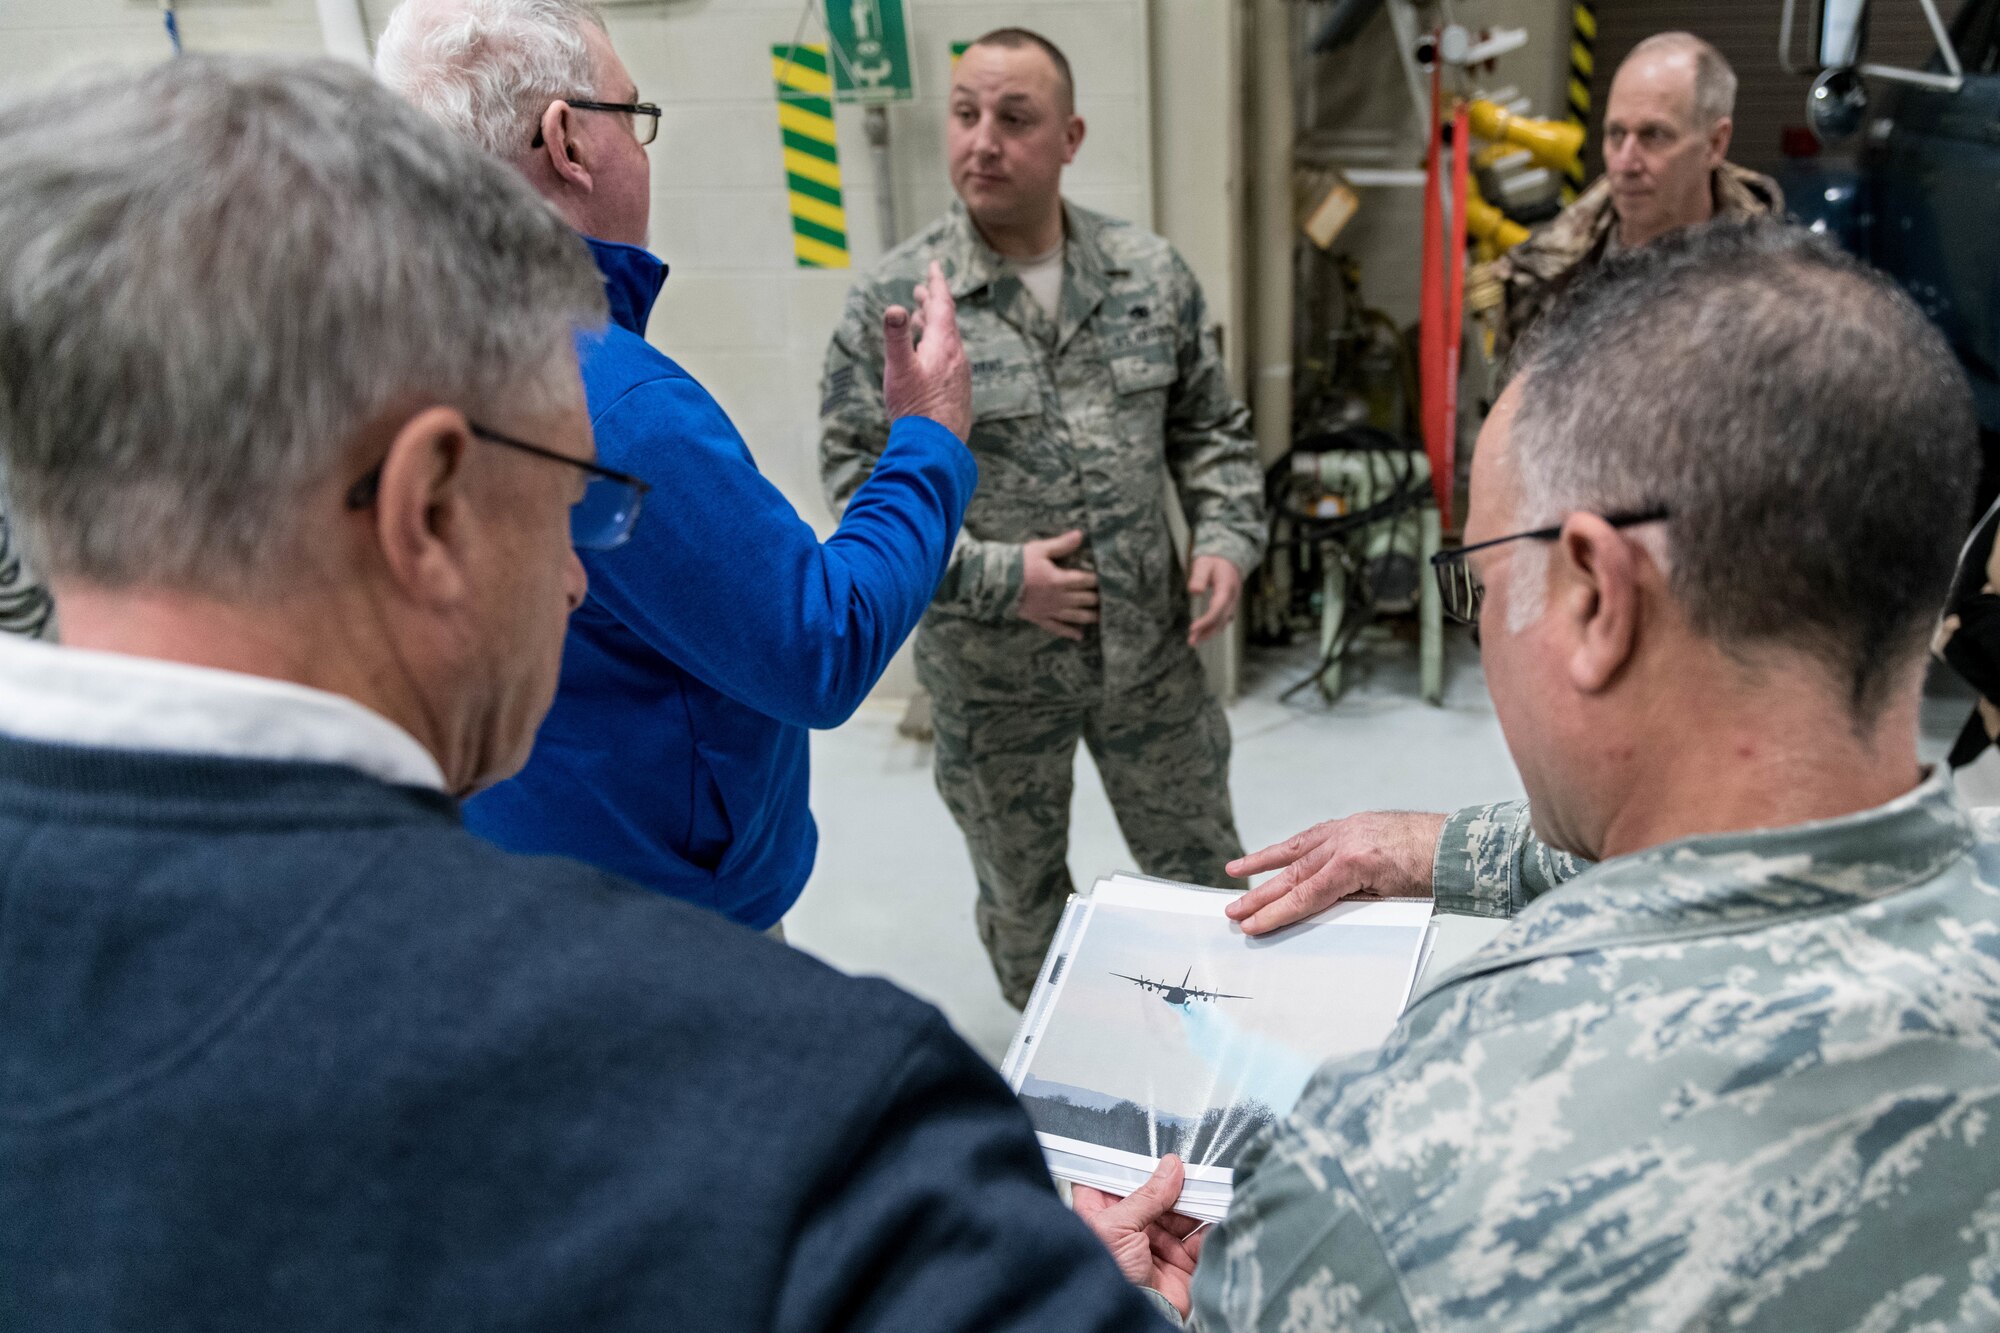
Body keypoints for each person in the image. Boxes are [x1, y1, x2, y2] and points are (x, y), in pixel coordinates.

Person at [0, 55, 1175, 1333]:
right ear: (426, 507)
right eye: (568, 503)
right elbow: (814, 640)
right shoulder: (805, 1114)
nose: (572, 580)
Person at [1087, 222, 2000, 1326]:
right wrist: (1427, 848)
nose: (1477, 632)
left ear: (1592, 597)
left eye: (1477, 581)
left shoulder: (1396, 1166)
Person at [376, 0, 976, 933]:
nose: (642, 148)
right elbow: (821, 642)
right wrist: (930, 436)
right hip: (662, 910)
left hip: (513, 860)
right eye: (632, 114)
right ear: (568, 140)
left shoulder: (387, 347)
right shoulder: (608, 403)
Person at [819, 27, 1266, 1007]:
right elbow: (860, 487)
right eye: (965, 113)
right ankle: (1071, 1094)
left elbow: (1210, 428)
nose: (982, 140)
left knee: (1203, 873)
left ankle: (1224, 1061)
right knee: (1026, 902)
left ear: (1068, 136)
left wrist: (1227, 536)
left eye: (1013, 119)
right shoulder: (895, 304)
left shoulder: (1148, 276)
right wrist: (995, 576)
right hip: (991, 679)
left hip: (1149, 660)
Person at [1481, 32, 1783, 357]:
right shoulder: (1545, 272)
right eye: (1616, 134)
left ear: (1715, 144)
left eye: (1654, 135)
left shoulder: (1774, 287)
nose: (1625, 163)